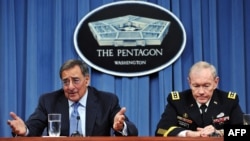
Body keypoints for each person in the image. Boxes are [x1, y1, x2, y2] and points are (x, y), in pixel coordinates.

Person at [7, 59, 138, 137]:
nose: (70, 87)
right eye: (65, 82)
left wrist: (121, 127)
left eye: (76, 80)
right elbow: (34, 127)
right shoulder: (48, 101)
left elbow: (132, 131)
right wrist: (24, 130)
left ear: (87, 80)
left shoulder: (107, 101)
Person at [155, 61, 243, 137]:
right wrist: (187, 133)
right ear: (189, 82)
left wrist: (219, 132)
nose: (201, 91)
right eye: (196, 86)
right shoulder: (177, 101)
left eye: (206, 86)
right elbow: (161, 130)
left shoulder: (229, 101)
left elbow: (243, 132)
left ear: (216, 82)